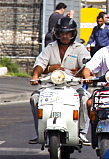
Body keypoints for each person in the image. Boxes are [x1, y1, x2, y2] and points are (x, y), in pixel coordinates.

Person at [28, 16, 90, 144]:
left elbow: (86, 64)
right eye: (62, 33)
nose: (65, 36)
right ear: (57, 33)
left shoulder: (79, 49)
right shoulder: (50, 47)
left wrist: (86, 76)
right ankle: (39, 131)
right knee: (34, 99)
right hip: (50, 86)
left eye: (68, 33)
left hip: (73, 86)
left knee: (85, 99)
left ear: (73, 34)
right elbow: (40, 64)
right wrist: (36, 76)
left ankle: (82, 132)